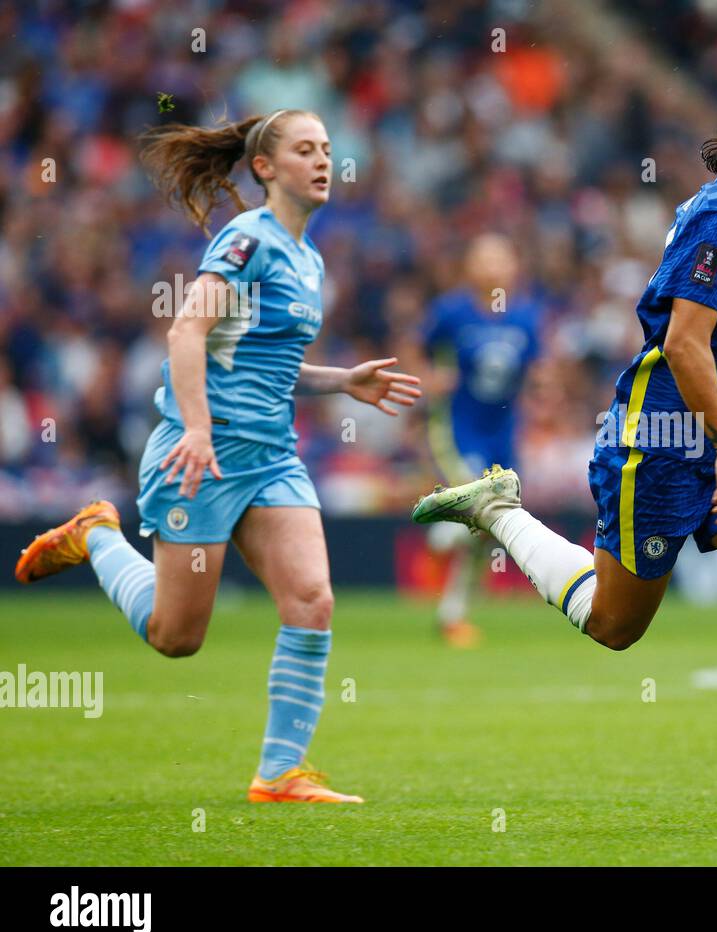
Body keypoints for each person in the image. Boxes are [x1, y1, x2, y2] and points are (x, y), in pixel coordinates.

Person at [411, 78, 717, 829]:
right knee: (615, 624)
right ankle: (497, 511)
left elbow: (701, 334)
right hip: (661, 444)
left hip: (715, 425)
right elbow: (678, 341)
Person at [15, 109, 421, 804]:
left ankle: (279, 772)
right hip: (200, 454)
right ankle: (97, 535)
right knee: (177, 638)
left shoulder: (309, 257)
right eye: (305, 150)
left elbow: (264, 361)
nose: (323, 160)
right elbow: (187, 331)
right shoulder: (247, 238)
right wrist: (197, 431)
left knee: (312, 600)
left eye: (327, 149)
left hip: (269, 458)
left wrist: (340, 380)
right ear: (265, 167)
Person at [408, 234, 541, 647]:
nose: (494, 268)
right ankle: (441, 536)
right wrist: (429, 379)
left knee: (489, 525)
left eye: (502, 259)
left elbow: (532, 375)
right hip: (458, 429)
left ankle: (453, 614)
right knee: (484, 507)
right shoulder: (451, 312)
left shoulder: (525, 317)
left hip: (503, 433)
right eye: (485, 259)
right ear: (470, 267)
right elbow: (416, 352)